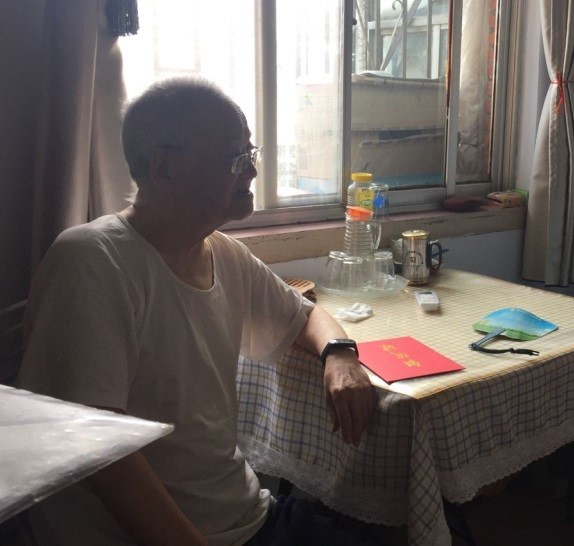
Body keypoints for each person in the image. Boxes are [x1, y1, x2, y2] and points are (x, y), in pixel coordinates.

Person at [19, 78, 375, 545]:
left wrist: (340, 354)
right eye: (235, 158)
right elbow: (99, 451)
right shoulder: (92, 260)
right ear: (164, 167)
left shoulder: (223, 253)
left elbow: (305, 316)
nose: (252, 170)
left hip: (245, 516)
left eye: (251, 152)